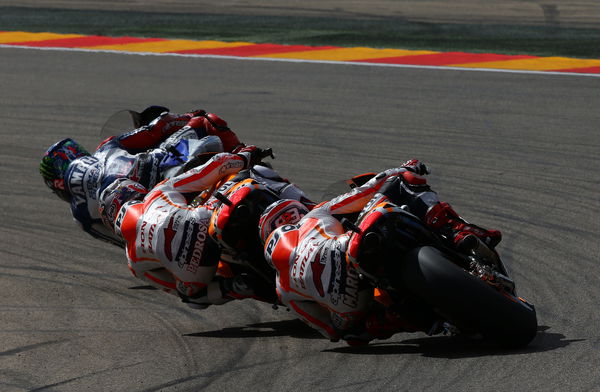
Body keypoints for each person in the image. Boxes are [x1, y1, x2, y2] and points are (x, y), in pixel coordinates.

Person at [261, 159, 501, 345]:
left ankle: (398, 319)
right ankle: (457, 231)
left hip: (351, 308)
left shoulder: (281, 288)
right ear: (294, 215)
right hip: (351, 250)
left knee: (357, 333)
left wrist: (351, 320)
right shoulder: (313, 216)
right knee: (404, 182)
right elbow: (366, 190)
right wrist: (402, 169)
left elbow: (329, 331)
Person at [98, 147, 314, 309]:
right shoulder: (156, 194)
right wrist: (244, 155)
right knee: (256, 173)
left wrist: (226, 289)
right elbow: (216, 165)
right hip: (202, 220)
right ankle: (313, 212)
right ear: (135, 192)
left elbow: (188, 298)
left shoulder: (134, 263)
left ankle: (242, 287)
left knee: (192, 294)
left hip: (194, 274)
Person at [40, 106, 243, 246]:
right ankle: (246, 156)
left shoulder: (80, 214)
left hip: (148, 207)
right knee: (206, 121)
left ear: (58, 184)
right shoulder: (105, 147)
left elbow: (121, 240)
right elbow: (154, 129)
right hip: (163, 163)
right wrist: (186, 117)